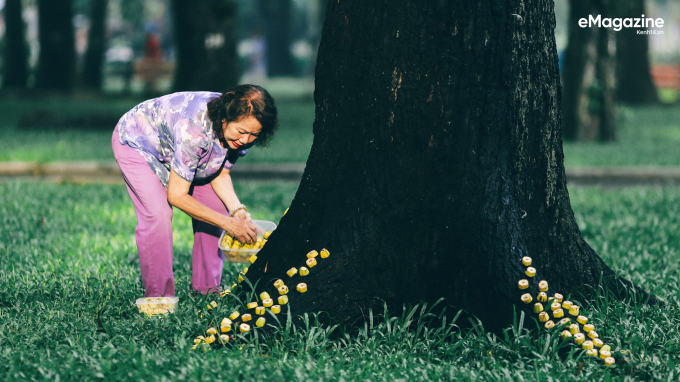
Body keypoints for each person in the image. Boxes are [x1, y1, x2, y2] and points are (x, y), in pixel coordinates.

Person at [111, 85, 279, 297]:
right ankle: (159, 298)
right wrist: (228, 224)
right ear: (225, 119)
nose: (245, 140)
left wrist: (237, 211)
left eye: (254, 134)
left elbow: (221, 173)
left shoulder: (239, 133)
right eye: (242, 132)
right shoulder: (195, 130)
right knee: (158, 214)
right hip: (140, 143)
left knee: (217, 205)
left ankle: (207, 290)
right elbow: (176, 195)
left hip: (179, 149)